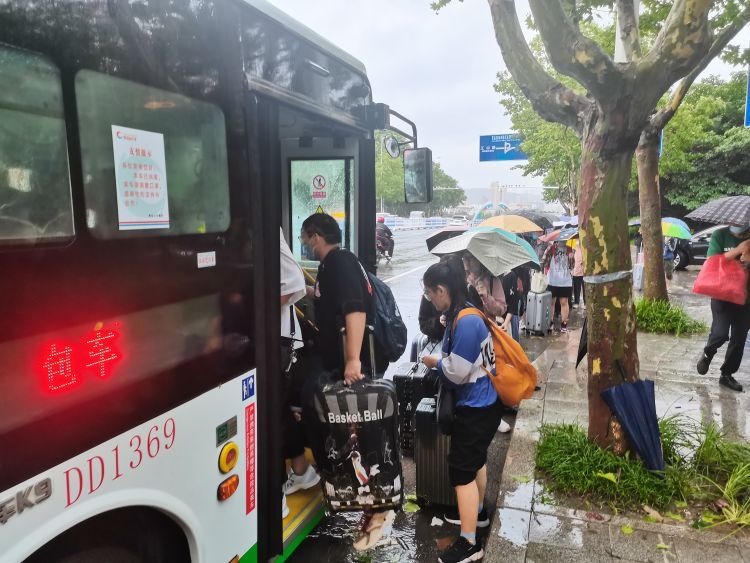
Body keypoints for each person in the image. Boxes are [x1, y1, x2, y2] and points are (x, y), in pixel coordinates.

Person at [298, 212, 393, 550]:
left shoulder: (339, 262)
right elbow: (329, 298)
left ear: (316, 236)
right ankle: (360, 496)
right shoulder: (333, 266)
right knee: (342, 422)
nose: (303, 244)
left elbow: (355, 309)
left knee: (360, 431)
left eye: (304, 237)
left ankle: (379, 507)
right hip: (341, 363)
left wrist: (353, 359)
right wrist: (305, 288)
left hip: (353, 365)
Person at [420, 261, 504, 563]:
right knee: (475, 460)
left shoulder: (466, 320)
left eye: (430, 293)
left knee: (461, 472)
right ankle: (478, 513)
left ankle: (470, 543)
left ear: (443, 290)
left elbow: (456, 372)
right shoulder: (462, 311)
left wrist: (434, 363)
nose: (429, 299)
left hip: (476, 408)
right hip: (483, 405)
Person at [279, 228, 319, 518]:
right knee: (278, 410)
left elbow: (292, 284)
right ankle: (301, 469)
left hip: (278, 342)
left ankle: (275, 492)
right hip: (274, 341)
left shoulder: (265, 228)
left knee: (270, 414)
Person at [696, 224, 750, 392]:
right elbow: (711, 261)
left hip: (746, 297)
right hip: (723, 293)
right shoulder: (720, 235)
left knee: (739, 337)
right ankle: (708, 354)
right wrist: (738, 250)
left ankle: (726, 374)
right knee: (720, 334)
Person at [543, 240, 574, 333]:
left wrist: (571, 257)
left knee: (564, 302)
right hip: (552, 280)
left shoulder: (569, 249)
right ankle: (550, 322)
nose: (562, 241)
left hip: (565, 280)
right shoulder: (551, 248)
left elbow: (572, 266)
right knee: (551, 302)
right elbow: (544, 261)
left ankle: (564, 324)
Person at [572, 240, 585, 308]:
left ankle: (585, 303)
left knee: (585, 288)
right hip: (576, 271)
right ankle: (576, 302)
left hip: (584, 272)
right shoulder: (574, 249)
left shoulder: (585, 248)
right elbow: (571, 261)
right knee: (576, 288)